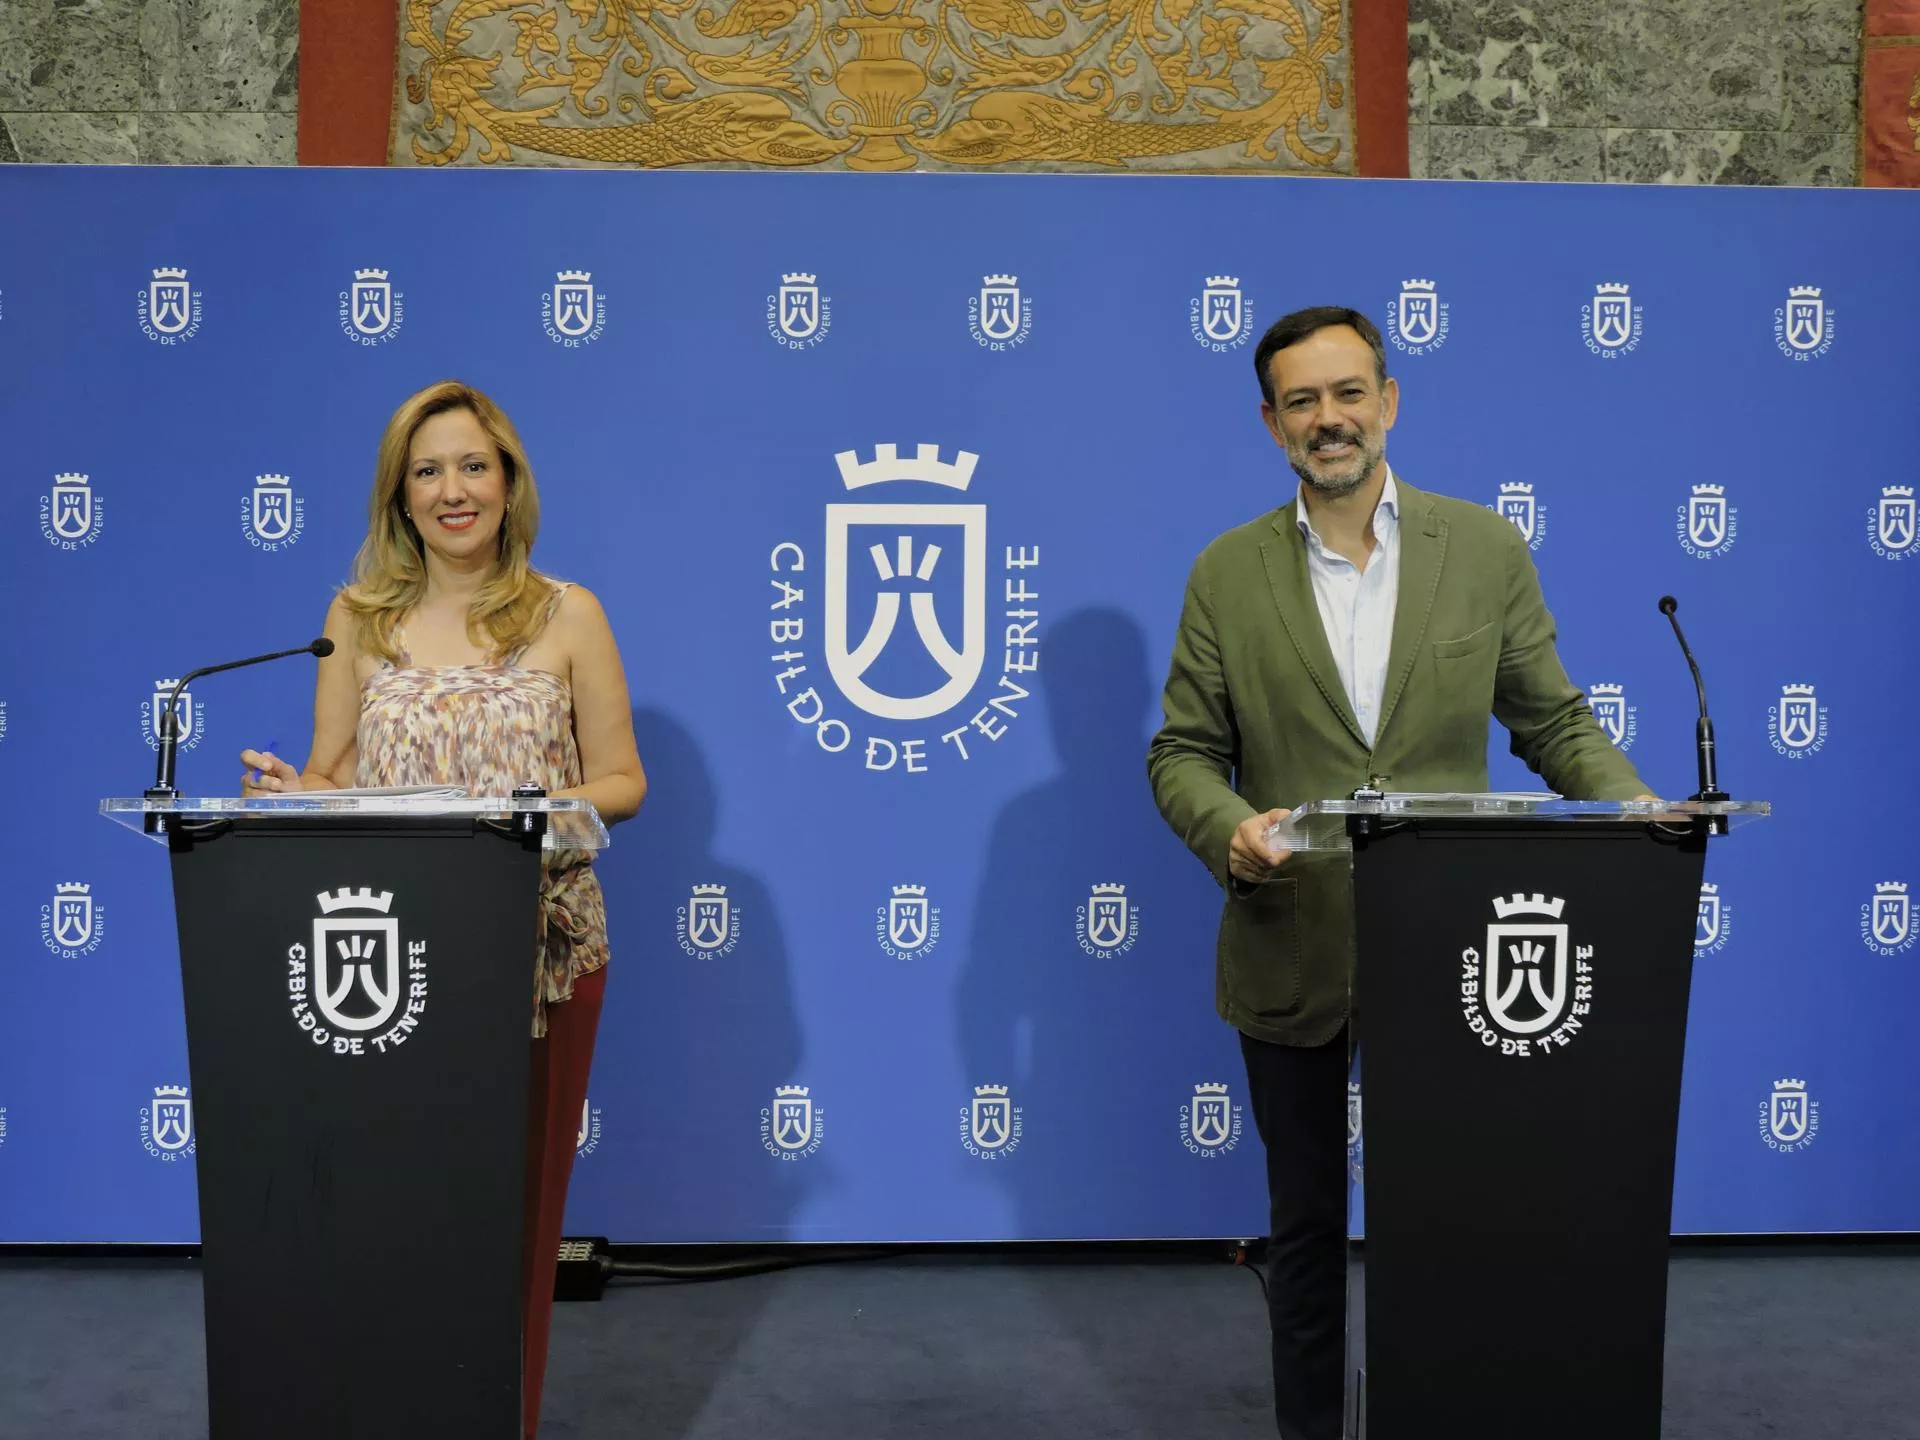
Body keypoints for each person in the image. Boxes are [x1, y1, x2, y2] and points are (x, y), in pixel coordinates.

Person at [1145, 307, 1648, 1440]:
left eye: (1349, 392)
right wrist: (1227, 828)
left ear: (1391, 400)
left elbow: (1554, 721)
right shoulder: (1228, 573)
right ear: (1273, 426)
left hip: (1458, 951)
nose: (1331, 420)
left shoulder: (1484, 549)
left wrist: (1639, 811)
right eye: (1303, 402)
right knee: (1310, 1231)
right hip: (1293, 941)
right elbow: (1182, 751)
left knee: (1456, 1228)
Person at [238, 380, 647, 1440]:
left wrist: (527, 809)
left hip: (539, 955)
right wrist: (295, 791)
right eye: (428, 471)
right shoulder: (355, 620)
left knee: (511, 1224)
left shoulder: (568, 613)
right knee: (397, 1220)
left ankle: (502, 1421)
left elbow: (621, 782)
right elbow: (337, 775)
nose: (452, 489)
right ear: (400, 497)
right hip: (394, 968)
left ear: (509, 484)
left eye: (473, 465)